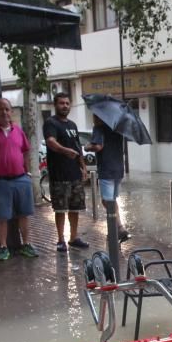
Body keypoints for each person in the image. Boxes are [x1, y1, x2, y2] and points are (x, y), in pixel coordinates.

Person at [0, 97, 37, 261]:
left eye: (7, 109)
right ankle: (3, 247)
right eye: (1, 109)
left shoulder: (18, 131)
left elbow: (25, 151)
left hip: (20, 179)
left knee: (24, 214)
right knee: (2, 216)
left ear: (11, 111)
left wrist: (28, 172)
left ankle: (26, 244)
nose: (4, 112)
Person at [43, 92, 89, 253]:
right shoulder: (51, 123)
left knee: (75, 208)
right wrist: (64, 151)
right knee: (60, 209)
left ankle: (74, 237)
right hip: (59, 174)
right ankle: (61, 240)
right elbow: (51, 142)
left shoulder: (73, 125)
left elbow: (77, 148)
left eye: (67, 103)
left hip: (74, 174)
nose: (65, 106)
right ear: (55, 105)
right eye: (61, 103)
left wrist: (83, 167)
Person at [85, 114, 129, 242]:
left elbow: (98, 146)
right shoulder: (118, 129)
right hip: (119, 170)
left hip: (106, 170)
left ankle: (116, 230)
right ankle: (118, 228)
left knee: (108, 202)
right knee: (111, 200)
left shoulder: (99, 128)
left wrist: (87, 146)